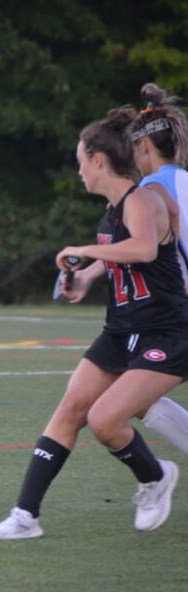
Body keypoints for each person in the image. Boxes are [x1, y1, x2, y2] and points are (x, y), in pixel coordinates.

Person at [0, 106, 184, 540]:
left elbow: (145, 250)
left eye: (80, 162)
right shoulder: (112, 213)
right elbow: (124, 259)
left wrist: (87, 251)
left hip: (166, 332)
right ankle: (25, 515)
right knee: (71, 408)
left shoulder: (143, 199)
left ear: (98, 160)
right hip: (120, 331)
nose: (78, 172)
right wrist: (87, 276)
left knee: (106, 420)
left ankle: (155, 478)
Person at [130, 83, 188, 457]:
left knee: (126, 395)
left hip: (179, 315)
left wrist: (86, 273)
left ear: (144, 146)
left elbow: (144, 248)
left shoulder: (151, 189)